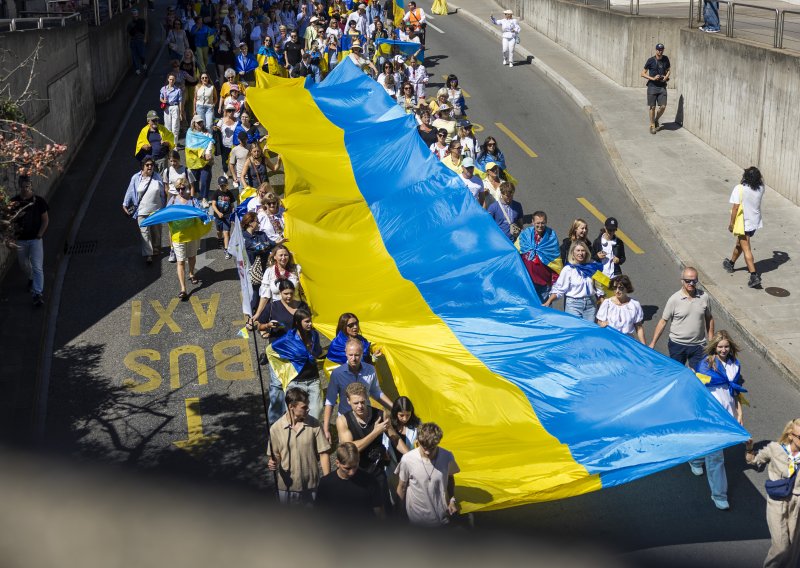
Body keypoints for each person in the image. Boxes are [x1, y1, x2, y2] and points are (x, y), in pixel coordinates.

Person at [690, 330, 748, 511]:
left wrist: (740, 413)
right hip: (711, 415)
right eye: (720, 346)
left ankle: (696, 458)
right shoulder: (705, 365)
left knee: (714, 449)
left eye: (726, 346)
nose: (723, 349)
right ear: (714, 347)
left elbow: (736, 389)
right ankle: (719, 495)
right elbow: (698, 389)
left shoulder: (734, 364)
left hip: (728, 413)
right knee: (717, 456)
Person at [748, 418, 800, 567]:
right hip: (777, 502)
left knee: (794, 547)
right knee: (781, 547)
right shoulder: (775, 448)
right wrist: (749, 449)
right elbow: (755, 461)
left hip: (798, 503)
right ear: (791, 435)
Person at [267, 387, 331, 505]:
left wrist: (328, 481)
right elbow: (275, 456)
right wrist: (272, 462)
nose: (308, 409)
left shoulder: (314, 424)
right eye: (304, 407)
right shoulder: (275, 429)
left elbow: (324, 453)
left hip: (311, 486)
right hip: (286, 487)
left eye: (308, 405)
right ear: (291, 407)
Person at [323, 338, 393, 443]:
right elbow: (330, 401)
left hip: (367, 417)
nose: (353, 358)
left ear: (362, 354)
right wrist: (326, 427)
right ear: (345, 353)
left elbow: (376, 392)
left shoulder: (370, 369)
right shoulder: (337, 374)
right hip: (346, 420)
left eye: (357, 355)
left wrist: (394, 407)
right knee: (350, 454)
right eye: (350, 355)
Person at [337, 382, 392, 511]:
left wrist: (412, 455)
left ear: (367, 398)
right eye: (356, 403)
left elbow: (395, 439)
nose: (360, 406)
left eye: (362, 401)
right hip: (356, 472)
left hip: (377, 470)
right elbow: (351, 449)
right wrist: (375, 432)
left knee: (384, 510)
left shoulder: (380, 414)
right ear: (348, 401)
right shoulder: (343, 420)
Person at [396, 422, 460, 527]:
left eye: (432, 448)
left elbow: (450, 479)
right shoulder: (407, 459)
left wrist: (452, 501)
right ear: (418, 442)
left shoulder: (447, 457)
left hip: (442, 519)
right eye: (424, 447)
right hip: (416, 521)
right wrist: (398, 514)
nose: (427, 452)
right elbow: (402, 487)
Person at [649, 266, 714, 369]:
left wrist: (711, 341)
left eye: (694, 281)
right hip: (677, 345)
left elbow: (709, 319)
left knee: (698, 375)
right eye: (688, 281)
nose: (691, 284)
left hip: (698, 345)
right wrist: (653, 343)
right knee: (677, 373)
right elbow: (663, 321)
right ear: (682, 281)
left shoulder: (704, 297)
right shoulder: (674, 299)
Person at [315, 442, 385, 519]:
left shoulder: (370, 481)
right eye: (347, 468)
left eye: (355, 466)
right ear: (337, 463)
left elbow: (379, 511)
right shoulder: (326, 483)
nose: (352, 472)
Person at [9, 175, 48, 307]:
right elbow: (9, 221)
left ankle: (37, 293)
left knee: (37, 266)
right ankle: (31, 278)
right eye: (23, 186)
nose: (25, 189)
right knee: (23, 264)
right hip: (21, 240)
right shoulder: (14, 202)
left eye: (27, 186)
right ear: (19, 186)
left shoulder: (39, 201)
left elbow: (45, 219)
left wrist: (39, 234)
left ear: (31, 186)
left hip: (35, 240)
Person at [723, 166, 765, 288]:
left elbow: (735, 208)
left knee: (746, 248)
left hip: (743, 223)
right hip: (754, 222)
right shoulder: (761, 188)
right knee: (740, 243)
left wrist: (731, 224)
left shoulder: (739, 188)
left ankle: (754, 275)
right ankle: (730, 263)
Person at [543, 241, 604, 321]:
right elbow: (559, 289)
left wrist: (603, 302)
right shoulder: (568, 269)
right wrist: (548, 301)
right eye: (578, 250)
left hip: (590, 304)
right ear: (572, 253)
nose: (580, 253)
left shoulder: (592, 267)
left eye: (583, 250)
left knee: (589, 332)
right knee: (575, 331)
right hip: (573, 305)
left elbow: (600, 287)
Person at [122, 157, 166, 265]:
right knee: (144, 233)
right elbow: (130, 191)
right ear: (143, 166)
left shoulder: (157, 176)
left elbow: (162, 193)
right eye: (147, 165)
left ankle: (156, 248)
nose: (150, 167)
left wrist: (165, 205)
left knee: (156, 231)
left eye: (151, 165)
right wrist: (125, 204)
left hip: (156, 209)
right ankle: (148, 254)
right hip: (142, 210)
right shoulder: (136, 178)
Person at [167, 180, 202, 300]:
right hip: (178, 236)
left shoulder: (193, 201)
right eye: (178, 189)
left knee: (192, 257)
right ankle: (183, 288)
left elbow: (200, 213)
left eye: (183, 188)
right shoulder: (172, 201)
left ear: (187, 188)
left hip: (191, 235)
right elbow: (166, 216)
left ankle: (191, 273)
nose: (181, 191)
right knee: (180, 261)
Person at [518, 211, 560, 303]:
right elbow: (515, 253)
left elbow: (556, 260)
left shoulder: (551, 237)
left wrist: (555, 280)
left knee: (544, 312)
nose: (540, 225)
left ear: (546, 222)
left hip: (544, 284)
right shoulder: (525, 235)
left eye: (542, 223)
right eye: (537, 223)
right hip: (527, 282)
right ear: (532, 222)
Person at [254, 244, 301, 321]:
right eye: (280, 255)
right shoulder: (269, 272)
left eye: (286, 255)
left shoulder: (297, 269)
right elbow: (265, 296)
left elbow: (305, 290)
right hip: (278, 311)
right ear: (275, 257)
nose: (283, 258)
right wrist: (257, 314)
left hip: (296, 309)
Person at [596, 274, 645, 343]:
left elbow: (639, 327)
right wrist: (602, 323)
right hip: (610, 340)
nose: (617, 291)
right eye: (615, 288)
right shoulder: (607, 303)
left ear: (627, 288)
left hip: (627, 341)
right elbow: (599, 321)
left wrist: (645, 347)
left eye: (621, 288)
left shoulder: (635, 304)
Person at [641, 43, 671, 134]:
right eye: (658, 49)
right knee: (652, 107)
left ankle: (656, 119)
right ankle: (652, 125)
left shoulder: (665, 59)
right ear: (656, 50)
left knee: (663, 106)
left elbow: (669, 70)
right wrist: (653, 78)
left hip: (662, 86)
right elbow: (642, 73)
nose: (660, 51)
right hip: (652, 86)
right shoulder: (650, 60)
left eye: (661, 49)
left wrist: (666, 77)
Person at [592, 217, 626, 295]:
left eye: (613, 230)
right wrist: (597, 256)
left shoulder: (619, 243)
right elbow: (591, 258)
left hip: (615, 275)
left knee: (614, 298)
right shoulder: (598, 242)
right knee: (601, 298)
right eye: (609, 230)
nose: (611, 232)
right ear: (605, 228)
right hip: (600, 275)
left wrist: (618, 260)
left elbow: (623, 258)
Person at [210, 176, 236, 259]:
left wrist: (233, 215)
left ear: (227, 185)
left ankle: (227, 250)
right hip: (218, 216)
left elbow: (232, 205)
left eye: (224, 185)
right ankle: (220, 239)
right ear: (218, 185)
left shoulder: (230, 193)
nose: (223, 187)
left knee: (226, 232)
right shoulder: (216, 193)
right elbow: (213, 205)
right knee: (219, 231)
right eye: (221, 185)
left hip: (227, 216)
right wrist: (218, 212)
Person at [159, 73, 184, 146]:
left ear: (175, 80)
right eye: (170, 79)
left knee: (175, 127)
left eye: (173, 79)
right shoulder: (163, 89)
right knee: (167, 127)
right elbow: (160, 97)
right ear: (168, 80)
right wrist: (163, 101)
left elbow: (180, 101)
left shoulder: (178, 90)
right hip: (166, 108)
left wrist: (180, 113)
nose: (171, 81)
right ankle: (168, 144)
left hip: (175, 107)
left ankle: (175, 145)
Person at [128, 8, 148, 76]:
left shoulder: (142, 21)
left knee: (141, 54)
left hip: (140, 40)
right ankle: (137, 69)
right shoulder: (130, 24)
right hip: (133, 40)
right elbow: (130, 33)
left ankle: (143, 63)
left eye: (136, 13)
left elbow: (145, 29)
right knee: (134, 56)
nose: (135, 15)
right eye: (133, 14)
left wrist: (145, 38)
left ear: (138, 14)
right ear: (132, 15)